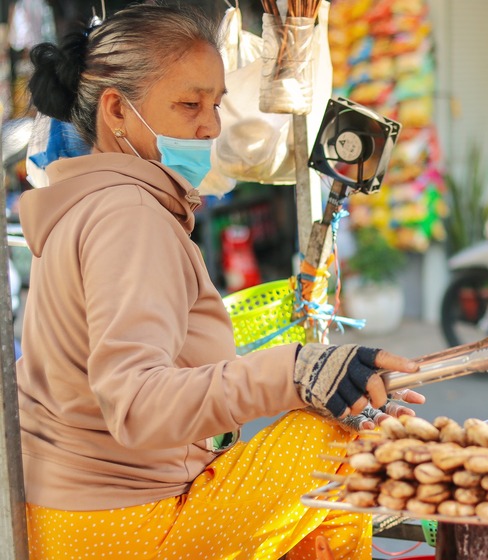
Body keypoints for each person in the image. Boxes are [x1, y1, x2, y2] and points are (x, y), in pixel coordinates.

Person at [17, 3, 424, 559]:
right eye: (189, 105)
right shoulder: (127, 217)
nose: (209, 126)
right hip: (119, 529)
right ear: (116, 109)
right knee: (333, 438)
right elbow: (136, 403)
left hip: (66, 522)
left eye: (215, 103)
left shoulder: (88, 206)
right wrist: (296, 370)